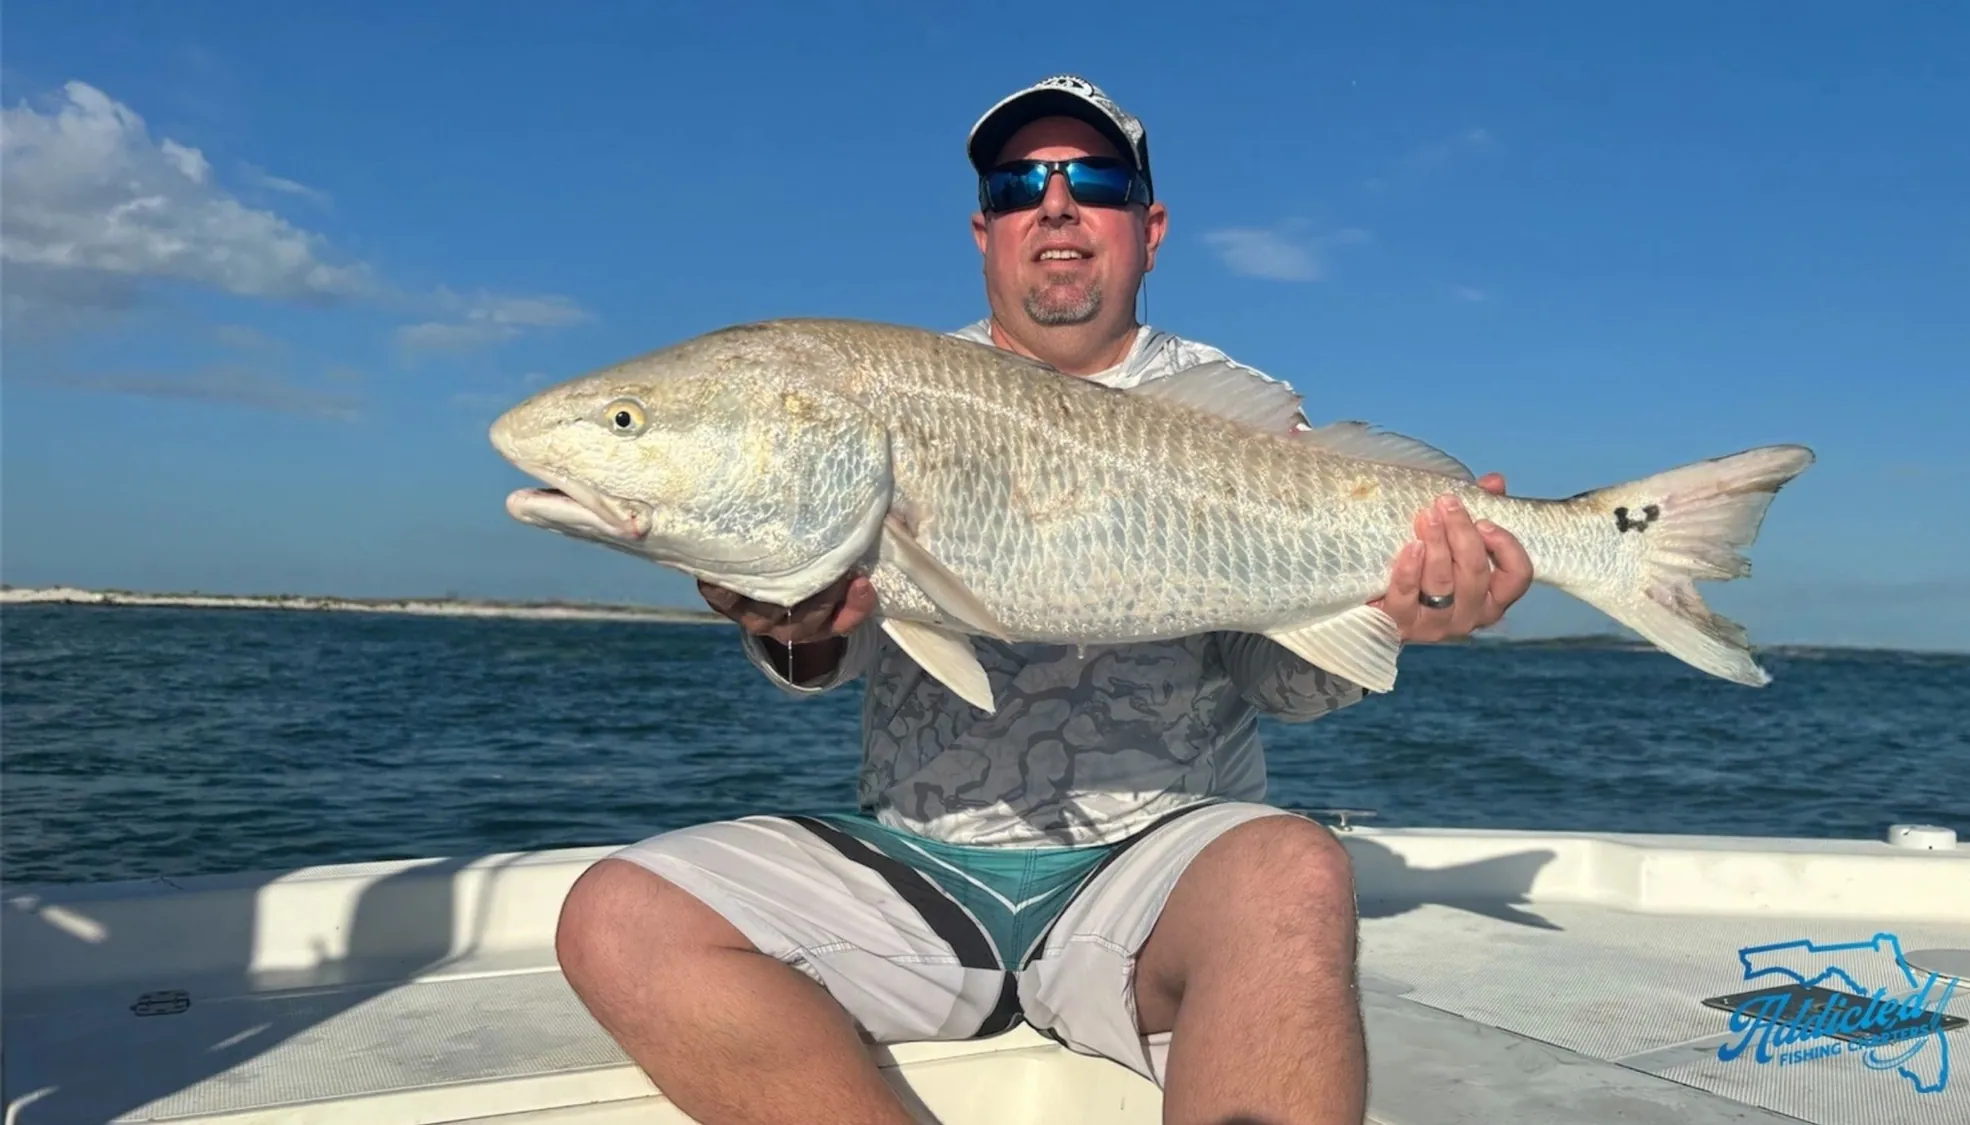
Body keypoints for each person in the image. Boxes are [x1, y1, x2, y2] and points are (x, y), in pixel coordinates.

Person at [554, 74, 1532, 1125]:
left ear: (1147, 230)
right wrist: (786, 621)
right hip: (920, 864)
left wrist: (1396, 611)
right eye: (1020, 183)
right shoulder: (885, 385)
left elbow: (1272, 681)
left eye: (1094, 181)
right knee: (616, 918)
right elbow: (822, 648)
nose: (1055, 204)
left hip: (1156, 875)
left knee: (1295, 868)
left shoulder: (1235, 410)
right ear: (984, 232)